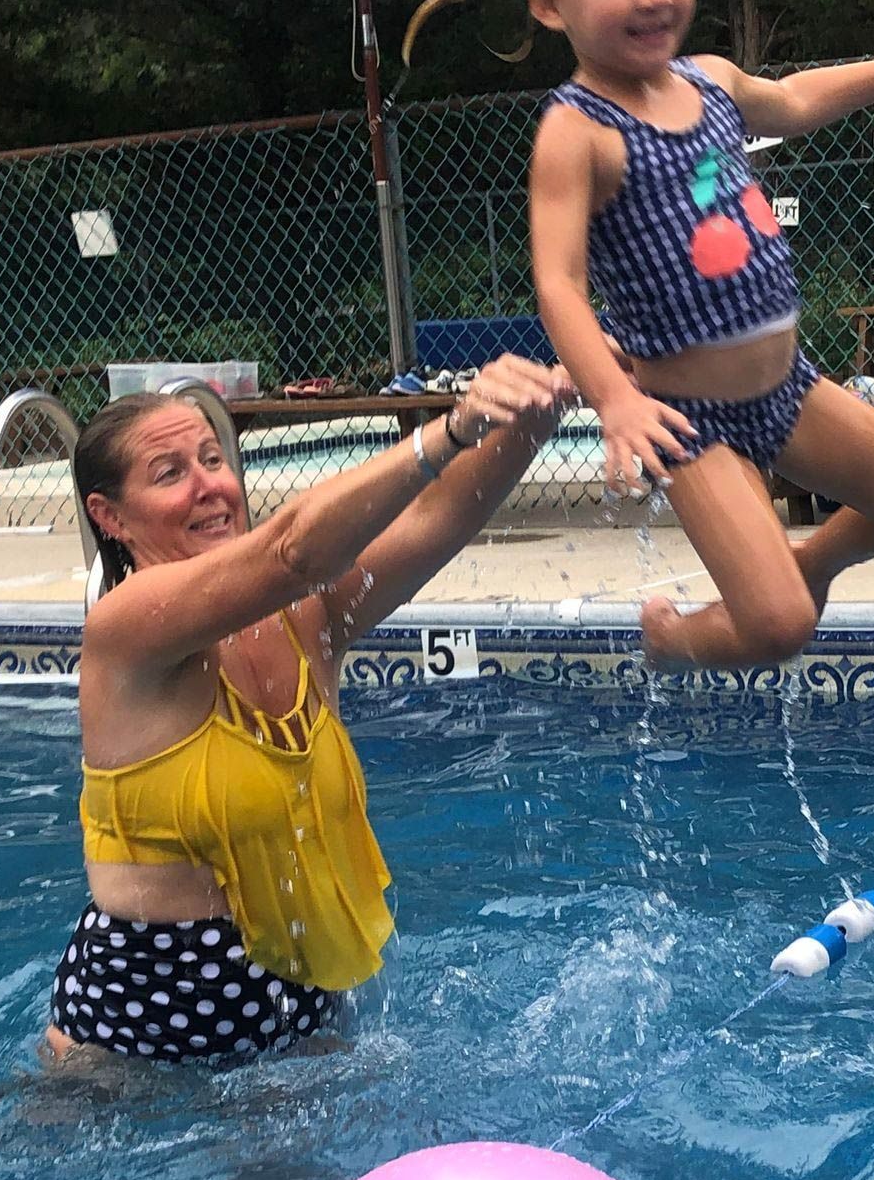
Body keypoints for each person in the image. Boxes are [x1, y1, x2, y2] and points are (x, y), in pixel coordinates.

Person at [521, 0, 874, 671]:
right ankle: (673, 638)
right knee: (776, 630)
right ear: (550, 3)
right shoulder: (577, 129)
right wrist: (615, 405)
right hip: (688, 420)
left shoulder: (711, 80)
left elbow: (798, 100)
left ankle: (805, 562)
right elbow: (558, 284)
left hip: (789, 386)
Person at [47, 360, 570, 1066]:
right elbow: (292, 550)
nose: (210, 486)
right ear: (109, 515)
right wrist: (447, 432)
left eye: (213, 459)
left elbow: (438, 519)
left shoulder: (307, 615)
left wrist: (539, 413)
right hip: (134, 1055)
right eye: (170, 474)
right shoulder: (128, 630)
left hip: (300, 1001)